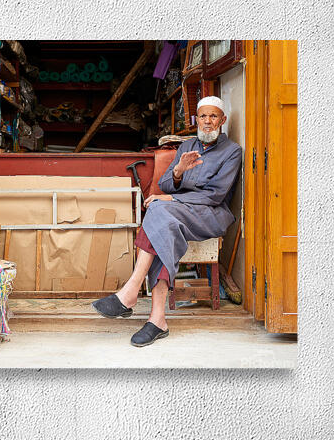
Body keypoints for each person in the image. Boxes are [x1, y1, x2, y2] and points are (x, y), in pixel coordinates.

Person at [91, 96, 242, 346]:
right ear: (196, 120)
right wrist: (178, 171)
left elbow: (215, 195)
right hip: (176, 214)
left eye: (213, 116)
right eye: (203, 116)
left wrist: (171, 199)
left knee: (158, 211)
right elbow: (163, 185)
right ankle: (157, 319)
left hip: (210, 215)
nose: (207, 122)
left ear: (222, 120)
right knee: (163, 223)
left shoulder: (232, 152)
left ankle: (131, 292)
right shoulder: (186, 147)